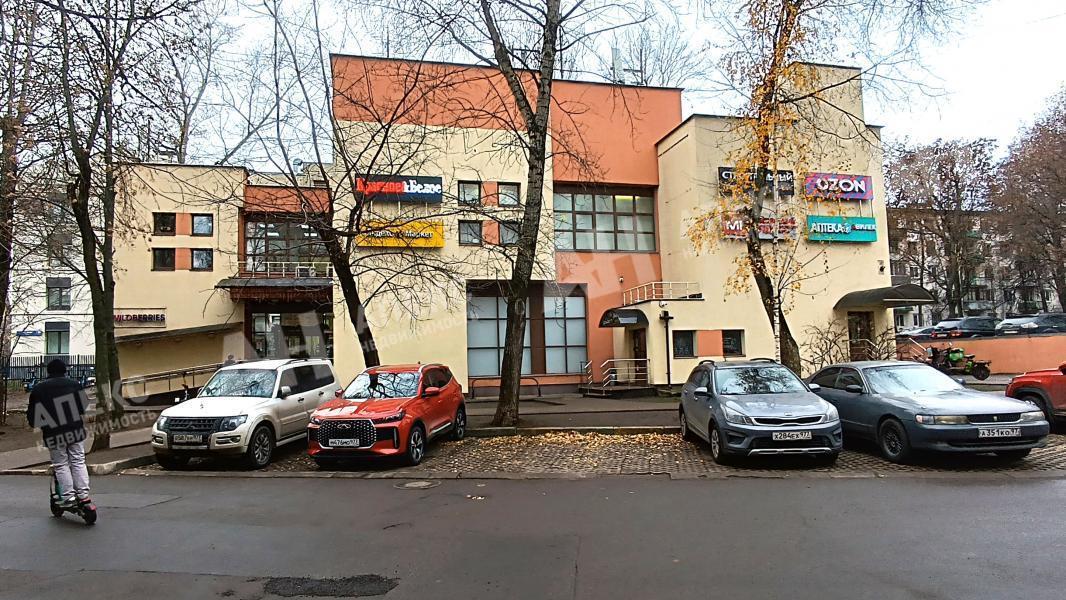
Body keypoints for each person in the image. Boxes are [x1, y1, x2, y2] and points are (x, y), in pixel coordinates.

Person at [27, 359, 91, 507]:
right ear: (64, 370)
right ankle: (83, 494)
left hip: (53, 433)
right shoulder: (74, 385)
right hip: (75, 430)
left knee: (61, 464)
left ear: (49, 371)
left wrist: (37, 423)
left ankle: (68, 497)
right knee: (78, 461)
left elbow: (33, 414)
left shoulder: (39, 388)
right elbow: (83, 406)